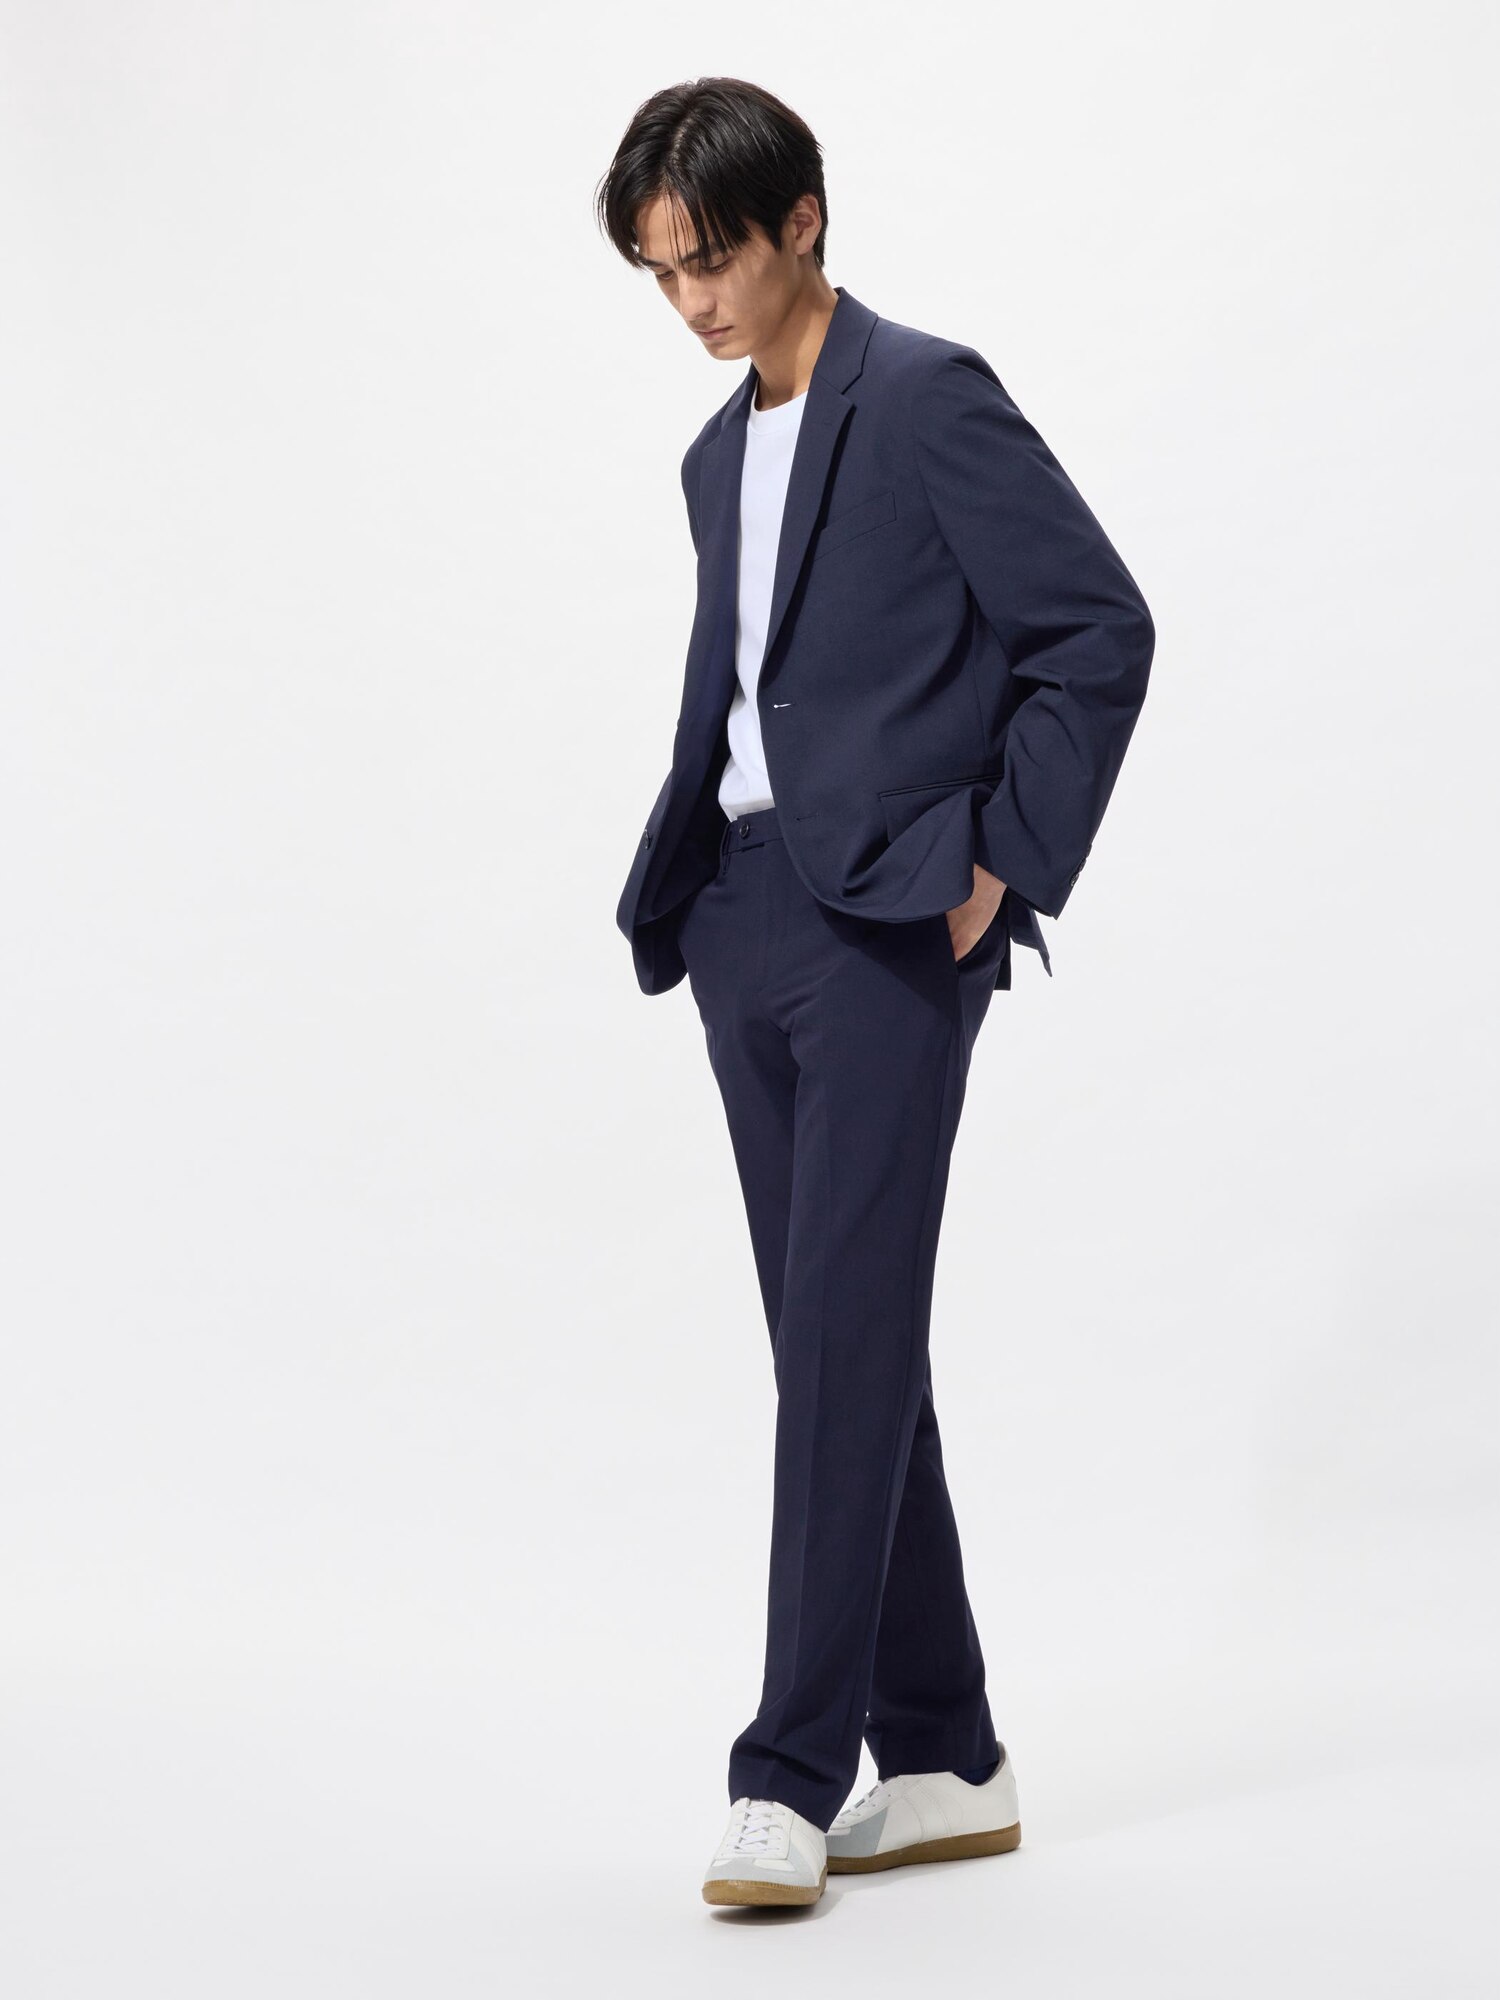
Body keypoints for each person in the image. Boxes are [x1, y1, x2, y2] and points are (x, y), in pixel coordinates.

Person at [597, 77, 1154, 1908]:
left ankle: (786, 1774)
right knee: (839, 1340)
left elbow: (1098, 629)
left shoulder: (922, 397)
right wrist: (702, 891)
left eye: (714, 258)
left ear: (804, 222)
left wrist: (995, 861)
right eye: (663, 272)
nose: (694, 300)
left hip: (896, 924)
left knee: (841, 1336)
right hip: (745, 915)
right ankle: (946, 1755)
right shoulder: (713, 459)